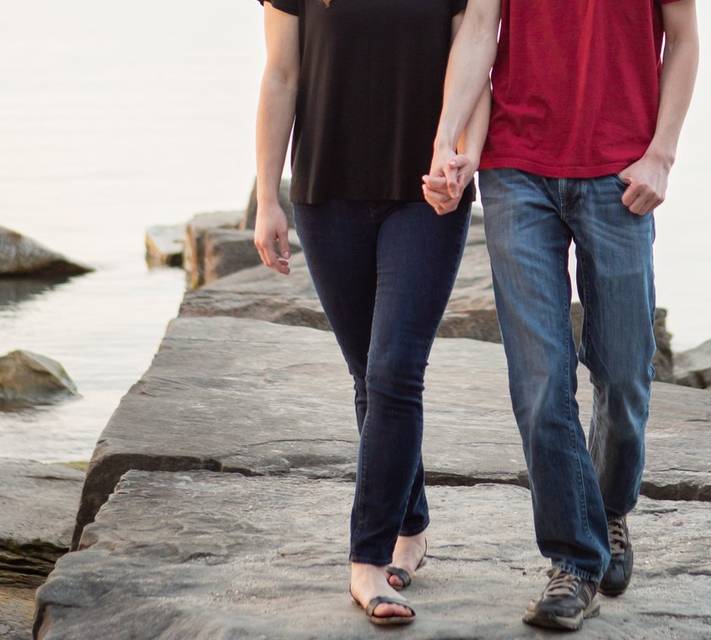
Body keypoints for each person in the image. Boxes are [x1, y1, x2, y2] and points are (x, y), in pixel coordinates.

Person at [425, 0, 700, 631]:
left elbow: (683, 39)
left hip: (621, 171)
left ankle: (609, 509)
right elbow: (477, 31)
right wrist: (448, 138)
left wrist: (662, 153)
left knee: (625, 370)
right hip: (515, 169)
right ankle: (574, 560)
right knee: (542, 380)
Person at [253, 0, 489, 627]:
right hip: (326, 194)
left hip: (426, 197)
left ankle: (368, 559)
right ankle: (412, 527)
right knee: (370, 376)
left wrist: (462, 155)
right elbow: (281, 74)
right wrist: (266, 198)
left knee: (393, 371)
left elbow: (476, 59)